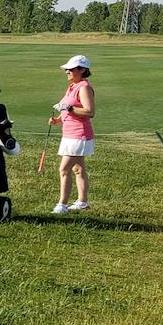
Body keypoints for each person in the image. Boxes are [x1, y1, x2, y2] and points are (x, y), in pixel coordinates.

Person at [50, 54, 96, 214]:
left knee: (64, 169)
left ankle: (62, 205)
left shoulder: (84, 87)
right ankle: (82, 202)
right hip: (70, 134)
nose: (67, 72)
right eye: (67, 69)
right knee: (78, 169)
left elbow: (89, 112)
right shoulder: (72, 87)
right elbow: (68, 109)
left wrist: (68, 109)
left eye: (71, 69)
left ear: (82, 70)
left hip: (79, 135)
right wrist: (58, 119)